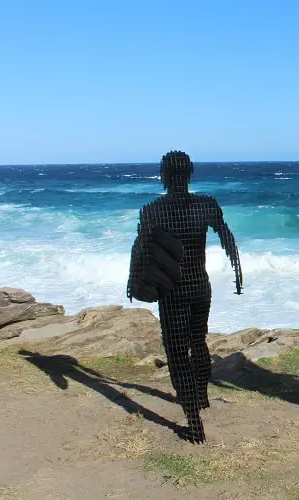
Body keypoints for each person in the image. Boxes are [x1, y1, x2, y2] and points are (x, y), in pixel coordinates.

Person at [127, 151, 243, 443]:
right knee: (199, 342)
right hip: (200, 286)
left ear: (163, 174)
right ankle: (201, 398)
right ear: (190, 173)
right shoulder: (206, 204)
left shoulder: (154, 209)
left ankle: (193, 421)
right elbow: (227, 238)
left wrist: (133, 281)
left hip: (172, 289)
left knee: (177, 352)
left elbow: (140, 250)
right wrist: (238, 273)